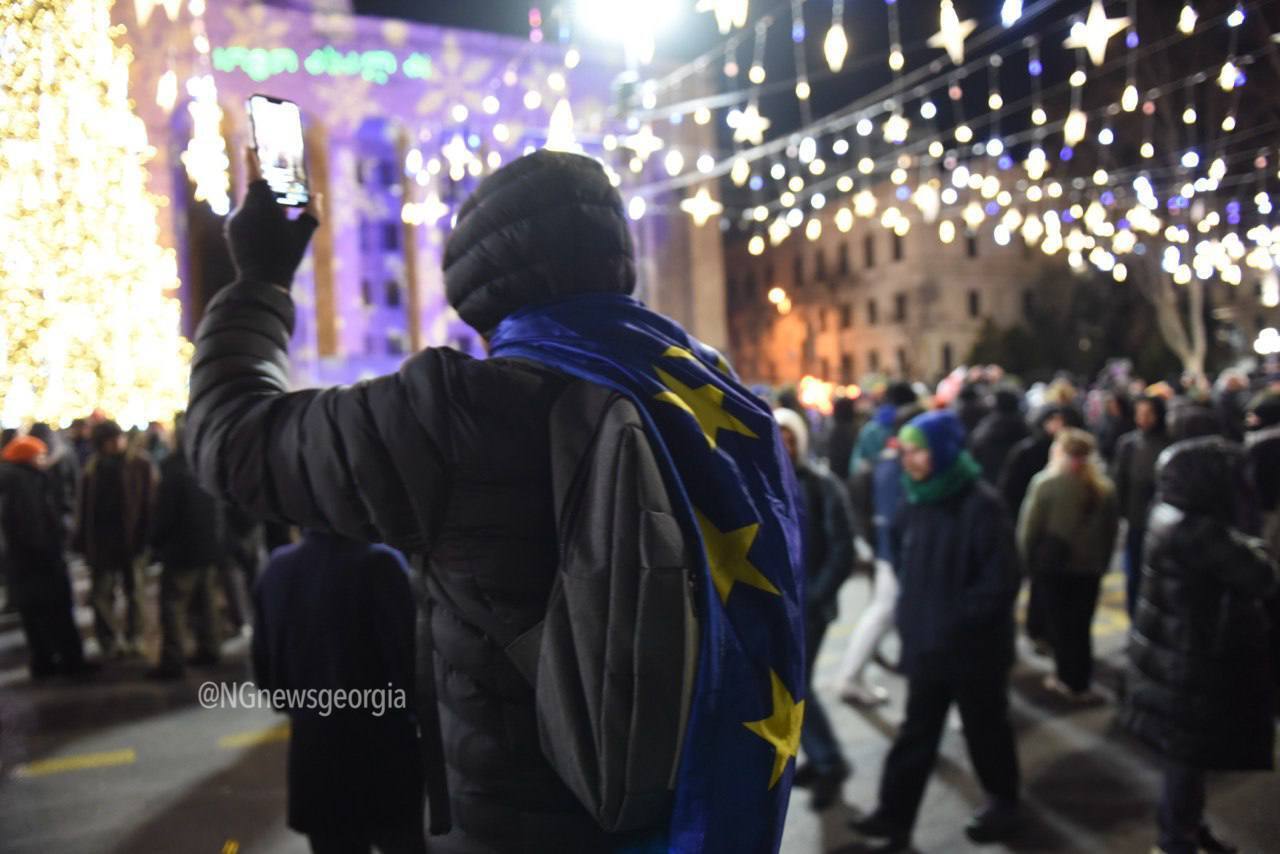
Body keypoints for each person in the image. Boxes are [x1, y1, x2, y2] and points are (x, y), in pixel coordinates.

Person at [185, 149, 805, 852]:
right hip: (689, 803)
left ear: (474, 287)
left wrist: (260, 279)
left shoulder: (459, 415)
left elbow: (227, 438)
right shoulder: (709, 394)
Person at [850, 411, 1021, 853]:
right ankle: (895, 814)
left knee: (987, 732)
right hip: (927, 649)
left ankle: (1003, 804)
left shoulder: (981, 504)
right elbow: (909, 572)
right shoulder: (914, 501)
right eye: (905, 451)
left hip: (974, 652)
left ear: (943, 450)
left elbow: (1001, 581)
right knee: (916, 734)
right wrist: (913, 623)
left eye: (919, 450)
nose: (910, 460)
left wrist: (955, 621)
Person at [1119, 437, 1277, 854]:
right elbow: (1261, 576)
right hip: (1187, 659)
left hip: (1172, 653)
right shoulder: (1197, 532)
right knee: (1186, 758)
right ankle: (1176, 841)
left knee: (1184, 757)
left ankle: (1187, 829)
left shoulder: (1167, 513)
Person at [253, 530, 426, 854]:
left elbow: (269, 683)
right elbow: (411, 670)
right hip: (385, 759)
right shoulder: (382, 564)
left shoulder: (276, 569)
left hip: (315, 761)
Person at [774, 408, 854, 812]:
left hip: (812, 608)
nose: (784, 444)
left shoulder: (823, 486)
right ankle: (820, 758)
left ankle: (829, 762)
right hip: (783, 608)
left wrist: (816, 598)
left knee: (796, 687)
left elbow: (844, 549)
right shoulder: (764, 482)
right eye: (777, 436)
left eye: (790, 437)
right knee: (791, 685)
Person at [1016, 429, 1119, 701]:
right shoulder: (1104, 488)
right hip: (1090, 568)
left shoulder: (1047, 483)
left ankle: (1065, 678)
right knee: (1081, 624)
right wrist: (1104, 562)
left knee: (1060, 626)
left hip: (1055, 568)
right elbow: (1111, 532)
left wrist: (1026, 563)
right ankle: (1081, 679)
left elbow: (1029, 529)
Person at [834, 402, 921, 708]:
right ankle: (850, 677)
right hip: (898, 559)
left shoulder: (889, 464)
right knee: (881, 615)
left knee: (882, 616)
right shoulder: (894, 468)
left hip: (892, 556)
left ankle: (851, 677)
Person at [0, 436, 89, 678]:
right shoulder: (25, 482)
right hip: (40, 562)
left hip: (20, 564)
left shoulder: (11, 480)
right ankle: (70, 662)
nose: (44, 459)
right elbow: (34, 525)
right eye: (39, 455)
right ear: (27, 458)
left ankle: (44, 661)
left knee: (33, 616)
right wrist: (52, 550)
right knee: (57, 611)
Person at [74, 420, 156, 658]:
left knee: (135, 593)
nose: (117, 443)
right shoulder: (93, 467)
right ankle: (108, 639)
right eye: (111, 440)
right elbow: (85, 508)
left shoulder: (140, 463)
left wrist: (148, 538)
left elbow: (150, 503)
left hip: (132, 540)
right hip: (103, 542)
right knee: (101, 594)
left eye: (118, 437)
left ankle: (134, 637)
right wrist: (82, 541)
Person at [148, 422, 224, 679]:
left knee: (173, 606)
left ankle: (173, 659)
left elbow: (164, 516)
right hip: (207, 547)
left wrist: (155, 542)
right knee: (205, 602)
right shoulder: (205, 467)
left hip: (181, 551)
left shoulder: (173, 473)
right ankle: (210, 647)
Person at [1111, 396, 1172, 616]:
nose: (1143, 419)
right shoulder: (1128, 444)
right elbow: (1120, 484)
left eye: (1148, 413)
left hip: (1163, 525)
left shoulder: (1169, 444)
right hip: (1136, 522)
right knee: (1134, 574)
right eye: (1140, 413)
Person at [969, 386, 1029, 486]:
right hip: (1019, 483)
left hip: (990, 480)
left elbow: (974, 451)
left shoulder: (985, 427)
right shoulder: (1025, 427)